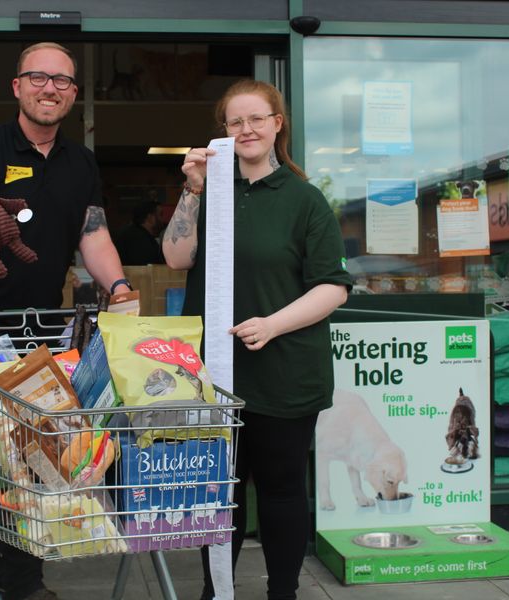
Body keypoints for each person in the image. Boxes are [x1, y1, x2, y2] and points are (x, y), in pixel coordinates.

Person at [0, 42, 131, 600]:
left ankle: (8, 577)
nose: (51, 88)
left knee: (33, 457)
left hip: (46, 336)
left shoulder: (81, 162)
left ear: (73, 93)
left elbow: (93, 234)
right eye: (39, 78)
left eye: (63, 81)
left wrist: (118, 287)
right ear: (17, 86)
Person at [162, 80, 352, 600]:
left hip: (286, 370)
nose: (246, 130)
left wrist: (271, 325)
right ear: (223, 131)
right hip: (215, 375)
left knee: (281, 490)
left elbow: (333, 287)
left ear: (277, 124)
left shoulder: (303, 199)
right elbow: (177, 258)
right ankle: (215, 589)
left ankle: (282, 592)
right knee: (218, 492)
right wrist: (193, 189)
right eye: (234, 122)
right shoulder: (209, 194)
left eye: (256, 119)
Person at [114, 200, 165, 265]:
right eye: (160, 215)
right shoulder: (137, 239)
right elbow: (147, 268)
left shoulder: (137, 234)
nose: (163, 220)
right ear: (150, 218)